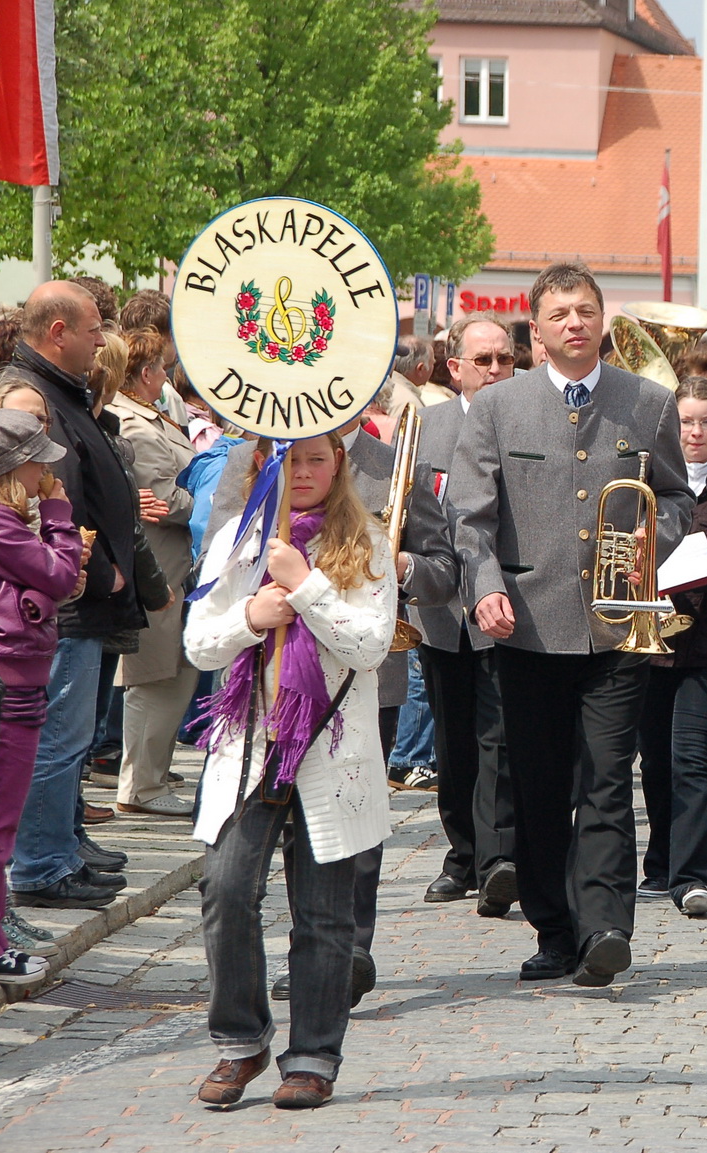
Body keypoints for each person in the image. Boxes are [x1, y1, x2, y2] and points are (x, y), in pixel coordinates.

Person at [452, 262, 693, 986]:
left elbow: (678, 498)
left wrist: (654, 540)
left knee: (608, 778)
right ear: (537, 328)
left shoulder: (649, 401)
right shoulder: (499, 407)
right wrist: (484, 588)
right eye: (559, 314)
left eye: (585, 311)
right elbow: (469, 516)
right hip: (526, 626)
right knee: (539, 784)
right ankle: (554, 928)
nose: (574, 324)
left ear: (603, 321)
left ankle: (607, 925)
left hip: (617, 625)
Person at [204, 415, 455, 1001]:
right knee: (238, 872)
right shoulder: (251, 458)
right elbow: (214, 564)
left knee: (342, 841)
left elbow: (441, 568)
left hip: (358, 682)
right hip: (259, 694)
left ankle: (343, 954)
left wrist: (396, 569)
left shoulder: (392, 461)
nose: (307, 469)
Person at [188, 432, 397, 1110]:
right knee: (225, 888)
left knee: (324, 915)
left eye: (317, 458)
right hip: (251, 745)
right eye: (290, 459)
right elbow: (199, 641)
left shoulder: (365, 541)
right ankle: (241, 1039)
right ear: (264, 464)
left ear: (338, 465)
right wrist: (254, 613)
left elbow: (370, 645)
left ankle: (312, 1055)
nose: (303, 471)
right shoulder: (241, 538)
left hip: (329, 753)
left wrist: (305, 585)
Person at [0, 282, 144, 912]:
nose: (101, 339)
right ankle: (41, 863)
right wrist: (92, 562)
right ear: (58, 331)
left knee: (66, 735)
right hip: (53, 589)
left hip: (65, 583)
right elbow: (38, 492)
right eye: (92, 328)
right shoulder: (30, 395)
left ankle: (59, 848)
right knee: (54, 735)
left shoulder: (57, 390)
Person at [412, 313, 519, 915]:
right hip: (441, 606)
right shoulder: (427, 426)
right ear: (454, 368)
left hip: (503, 603)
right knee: (452, 744)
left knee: (498, 737)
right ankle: (462, 854)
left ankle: (498, 858)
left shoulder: (525, 417)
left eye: (505, 358)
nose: (497, 370)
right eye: (484, 360)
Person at [635, 377, 707, 915]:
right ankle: (660, 864)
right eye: (685, 421)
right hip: (651, 640)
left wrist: (694, 570)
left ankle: (695, 876)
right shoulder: (647, 478)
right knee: (655, 761)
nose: (695, 431)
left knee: (695, 757)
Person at [0, 411, 84, 986]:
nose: (45, 472)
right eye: (37, 463)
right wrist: (59, 515)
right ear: (12, 467)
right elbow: (56, 574)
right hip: (10, 681)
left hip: (14, 677)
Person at [106, 329, 197, 817]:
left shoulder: (149, 416)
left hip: (172, 567)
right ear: (145, 374)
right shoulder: (137, 425)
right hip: (158, 567)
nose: (167, 376)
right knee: (155, 677)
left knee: (173, 675)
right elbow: (164, 500)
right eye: (163, 368)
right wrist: (216, 493)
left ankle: (151, 780)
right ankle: (140, 786)